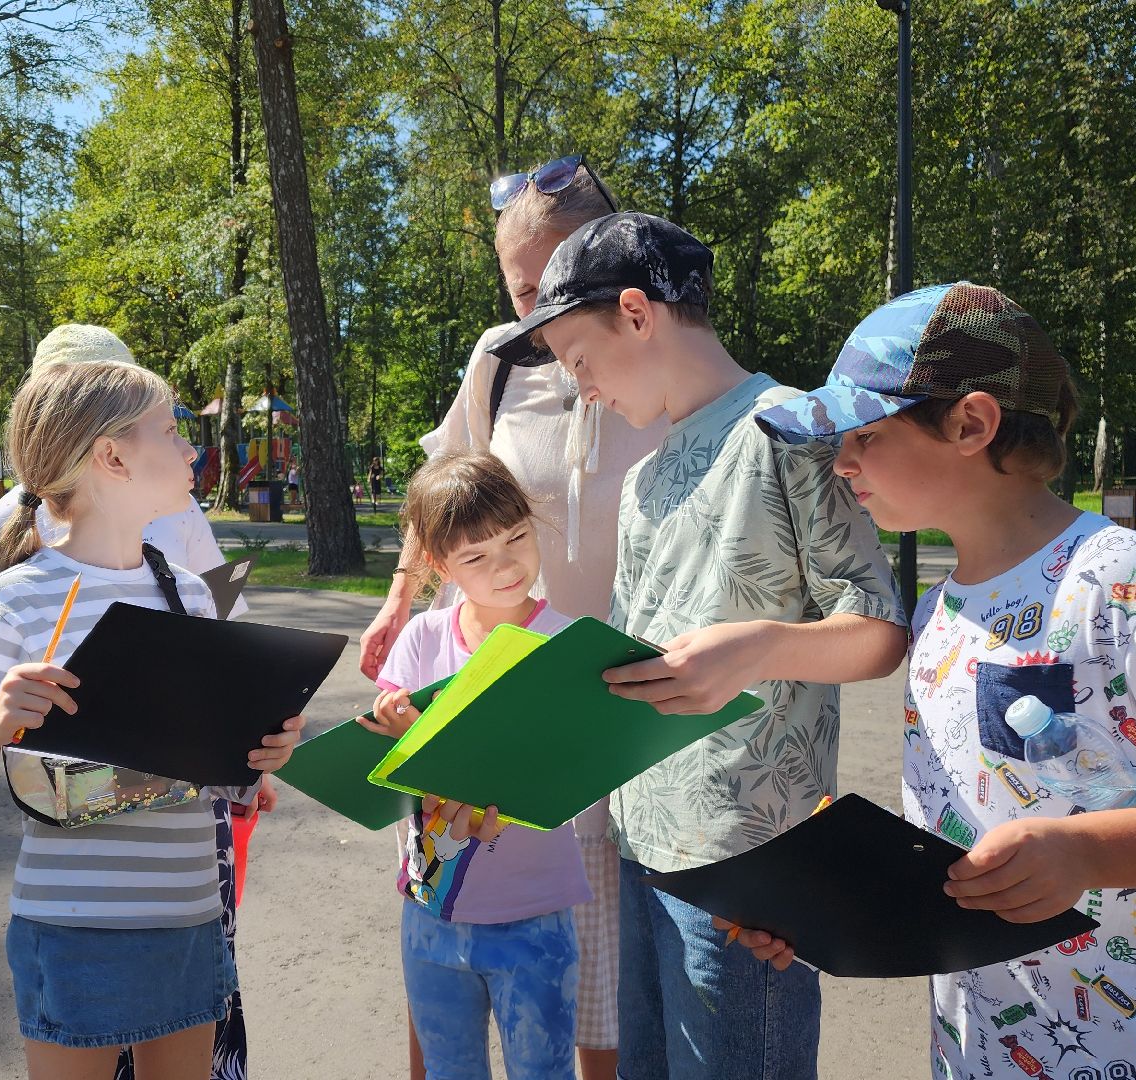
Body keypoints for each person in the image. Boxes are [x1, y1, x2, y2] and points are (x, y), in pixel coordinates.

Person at [749, 282, 1136, 1077]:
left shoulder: (1127, 585)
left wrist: (1085, 852)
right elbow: (967, 851)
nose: (841, 460)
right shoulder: (939, 612)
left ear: (971, 422)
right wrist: (832, 905)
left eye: (863, 433)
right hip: (982, 1050)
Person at [493, 211, 908, 1080]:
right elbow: (633, 655)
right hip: (642, 841)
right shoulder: (645, 475)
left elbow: (877, 629)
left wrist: (758, 649)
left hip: (748, 865)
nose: (583, 390)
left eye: (579, 361)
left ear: (638, 314)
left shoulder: (788, 430)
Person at [0, 358, 304, 1080]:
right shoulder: (22, 597)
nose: (193, 450)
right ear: (112, 456)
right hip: (72, 927)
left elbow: (208, 771)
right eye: (172, 430)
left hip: (188, 915)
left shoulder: (190, 594)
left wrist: (257, 755)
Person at [360, 157, 657, 1080]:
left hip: (596, 685)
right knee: (454, 895)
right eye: (513, 281)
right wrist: (402, 595)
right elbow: (444, 490)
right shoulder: (496, 358)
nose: (530, 300)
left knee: (588, 955)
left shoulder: (655, 359)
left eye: (546, 278)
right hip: (479, 676)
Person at [360, 451, 591, 1080]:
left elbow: (582, 768)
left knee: (542, 1070)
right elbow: (387, 762)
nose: (506, 564)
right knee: (448, 1070)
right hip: (431, 908)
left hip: (534, 911)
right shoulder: (422, 639)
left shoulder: (569, 644)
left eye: (517, 537)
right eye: (476, 556)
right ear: (439, 565)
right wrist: (396, 730)